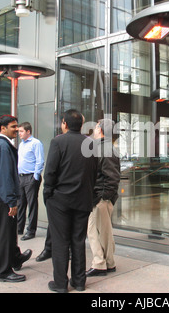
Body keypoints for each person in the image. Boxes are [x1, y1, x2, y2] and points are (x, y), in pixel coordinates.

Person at [43, 109, 98, 293]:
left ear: (64, 124)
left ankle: (60, 284)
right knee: (78, 241)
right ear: (81, 125)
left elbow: (50, 172)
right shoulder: (90, 144)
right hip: (83, 200)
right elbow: (94, 174)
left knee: (60, 242)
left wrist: (47, 194)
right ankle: (79, 282)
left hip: (60, 201)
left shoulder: (58, 141)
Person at [0, 115, 32, 283]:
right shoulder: (1, 147)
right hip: (4, 200)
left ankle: (15, 258)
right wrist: (11, 201)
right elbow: (3, 177)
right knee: (5, 234)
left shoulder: (2, 145)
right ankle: (4, 272)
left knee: (10, 231)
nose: (16, 130)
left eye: (17, 126)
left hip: (4, 197)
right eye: (13, 127)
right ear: (3, 128)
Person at [86, 119, 121, 277]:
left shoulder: (105, 148)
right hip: (98, 197)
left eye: (96, 126)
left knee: (101, 231)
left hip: (101, 197)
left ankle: (103, 263)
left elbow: (112, 177)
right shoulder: (102, 147)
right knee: (97, 230)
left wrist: (104, 197)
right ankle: (104, 262)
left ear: (100, 129)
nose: (94, 129)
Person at [35, 115, 69, 262]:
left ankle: (67, 251)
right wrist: (48, 192)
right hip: (58, 192)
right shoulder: (58, 141)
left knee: (69, 225)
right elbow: (51, 169)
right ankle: (49, 249)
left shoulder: (84, 144)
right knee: (54, 225)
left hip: (71, 192)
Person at [17, 122, 44, 241]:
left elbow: (40, 160)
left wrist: (35, 177)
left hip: (30, 177)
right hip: (20, 177)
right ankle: (19, 228)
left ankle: (31, 231)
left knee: (32, 204)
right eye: (19, 132)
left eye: (21, 131)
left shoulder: (36, 143)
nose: (19, 134)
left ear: (28, 131)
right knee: (20, 204)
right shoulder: (21, 144)